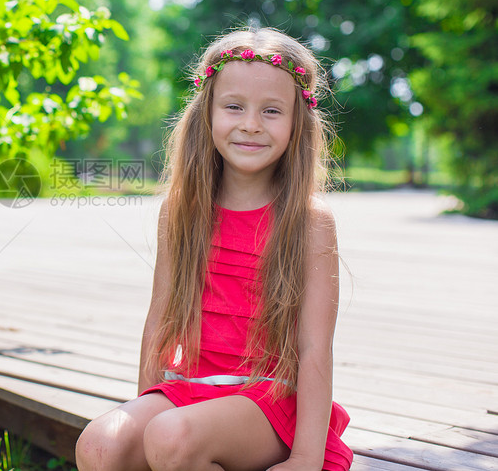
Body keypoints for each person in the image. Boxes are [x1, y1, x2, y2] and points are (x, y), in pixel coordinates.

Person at [75, 27, 353, 471]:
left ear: (299, 121)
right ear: (207, 112)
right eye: (234, 106)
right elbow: (161, 322)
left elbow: (316, 349)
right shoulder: (182, 210)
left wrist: (305, 457)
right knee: (99, 444)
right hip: (192, 388)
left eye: (271, 111)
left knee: (171, 437)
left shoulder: (308, 221)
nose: (250, 124)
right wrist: (148, 407)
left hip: (269, 400)